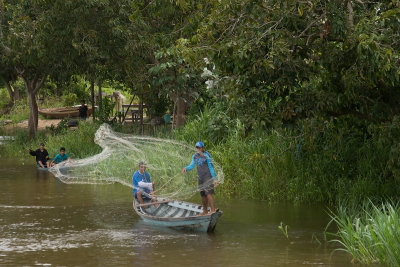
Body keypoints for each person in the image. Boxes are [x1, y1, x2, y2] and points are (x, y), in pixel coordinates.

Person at [182, 141, 218, 215]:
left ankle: (213, 210)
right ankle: (205, 211)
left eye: (199, 147)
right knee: (203, 195)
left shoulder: (207, 155)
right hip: (200, 177)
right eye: (196, 147)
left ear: (202, 148)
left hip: (207, 177)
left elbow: (211, 167)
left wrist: (214, 179)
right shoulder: (194, 156)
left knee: (208, 193)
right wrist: (186, 168)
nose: (197, 149)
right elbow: (192, 165)